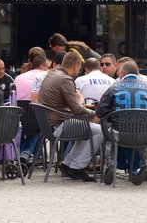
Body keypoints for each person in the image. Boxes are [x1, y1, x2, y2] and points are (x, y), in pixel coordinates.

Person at [96, 59, 147, 186]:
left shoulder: (114, 87)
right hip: (145, 135)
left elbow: (100, 111)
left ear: (121, 73)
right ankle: (146, 165)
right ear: (138, 73)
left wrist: (112, 117)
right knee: (143, 133)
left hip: (119, 133)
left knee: (109, 133)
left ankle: (110, 165)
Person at [38, 51, 102, 181]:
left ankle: (68, 164)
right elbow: (76, 109)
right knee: (100, 131)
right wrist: (94, 113)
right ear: (76, 66)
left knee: (86, 129)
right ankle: (77, 167)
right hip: (59, 125)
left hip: (50, 125)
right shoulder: (65, 79)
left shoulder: (52, 74)